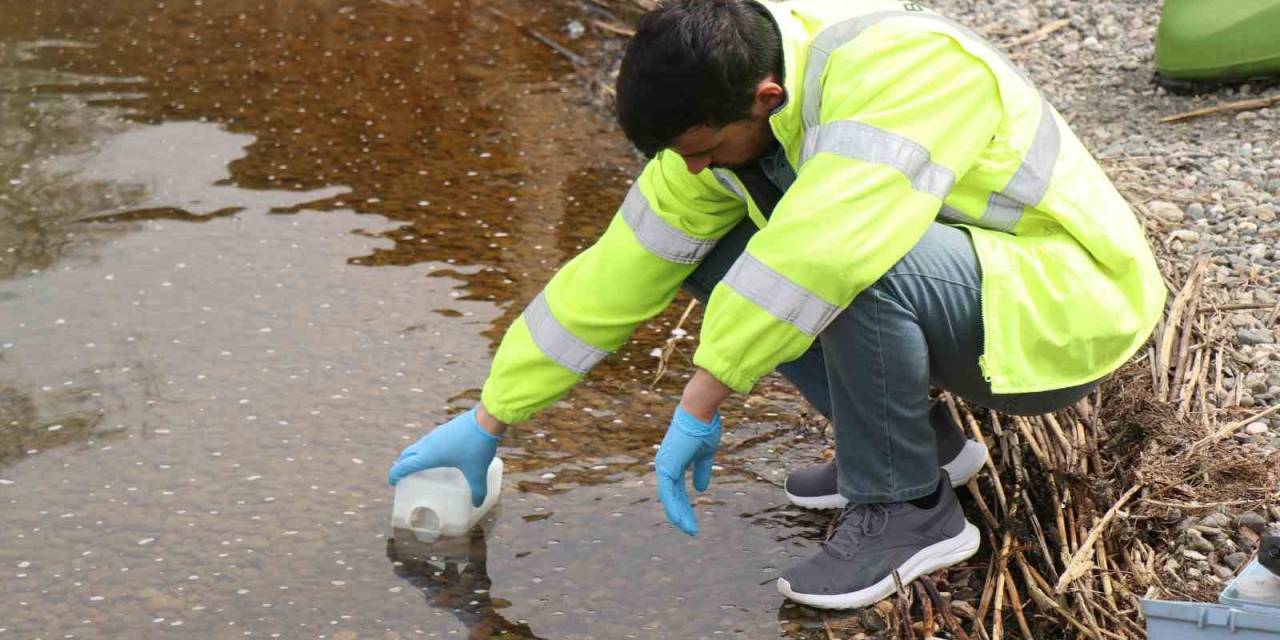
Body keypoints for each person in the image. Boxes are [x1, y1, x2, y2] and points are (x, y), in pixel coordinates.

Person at [388, 0, 1166, 610]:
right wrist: (492, 416)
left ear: (765, 98)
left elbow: (826, 253)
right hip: (969, 286)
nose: (692, 170)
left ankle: (910, 508)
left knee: (849, 264)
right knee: (703, 256)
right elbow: (616, 272)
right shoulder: (735, 86)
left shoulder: (903, 68)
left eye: (704, 149)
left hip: (1067, 305)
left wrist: (700, 399)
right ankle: (918, 444)